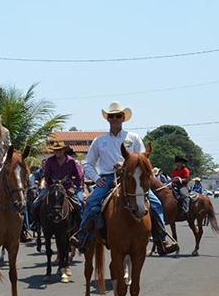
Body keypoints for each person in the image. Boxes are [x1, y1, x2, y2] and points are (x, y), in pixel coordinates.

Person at [70, 101, 178, 256]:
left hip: (132, 178)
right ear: (108, 118)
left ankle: (161, 239)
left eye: (118, 116)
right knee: (92, 201)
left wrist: (125, 164)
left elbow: (143, 160)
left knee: (156, 203)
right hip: (107, 178)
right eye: (112, 116)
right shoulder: (99, 141)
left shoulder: (133, 138)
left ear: (123, 118)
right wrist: (96, 178)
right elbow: (88, 163)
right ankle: (83, 236)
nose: (115, 119)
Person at [31, 140, 84, 223]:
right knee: (35, 204)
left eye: (59, 150)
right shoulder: (50, 161)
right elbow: (47, 176)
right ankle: (35, 223)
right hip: (52, 187)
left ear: (64, 150)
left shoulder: (71, 161)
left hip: (68, 188)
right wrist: (50, 185)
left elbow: (78, 176)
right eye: (55, 150)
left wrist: (73, 188)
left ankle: (81, 225)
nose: (57, 152)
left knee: (80, 203)